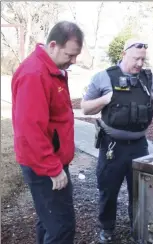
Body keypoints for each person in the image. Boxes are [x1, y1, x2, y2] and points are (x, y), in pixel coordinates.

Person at [81, 38, 153, 243]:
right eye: (136, 58)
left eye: (143, 60)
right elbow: (85, 107)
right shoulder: (104, 77)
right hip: (112, 145)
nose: (139, 64)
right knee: (108, 190)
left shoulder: (149, 79)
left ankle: (137, 228)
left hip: (139, 146)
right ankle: (107, 228)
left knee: (139, 191)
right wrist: (105, 99)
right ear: (123, 54)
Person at [11, 21, 84, 244]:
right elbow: (29, 131)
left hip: (51, 161)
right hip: (44, 165)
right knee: (61, 228)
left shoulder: (52, 69)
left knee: (48, 221)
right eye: (70, 55)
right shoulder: (35, 74)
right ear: (53, 45)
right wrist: (52, 168)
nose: (73, 61)